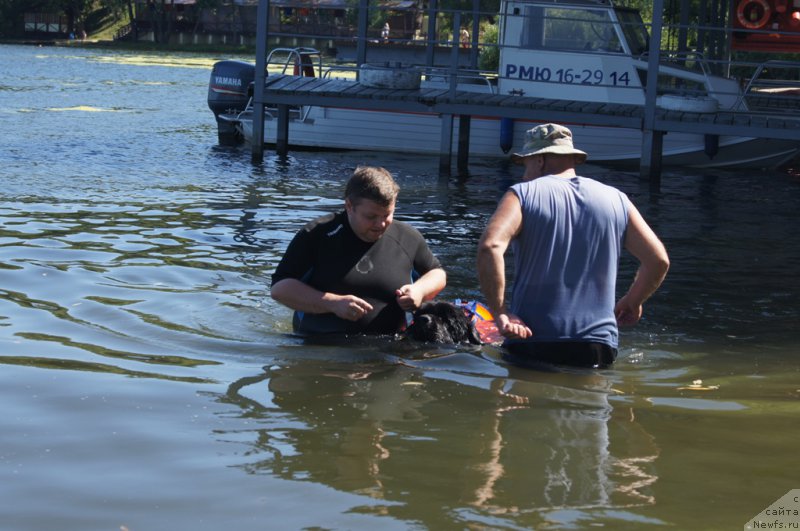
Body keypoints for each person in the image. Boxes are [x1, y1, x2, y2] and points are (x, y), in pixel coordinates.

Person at [477, 124, 669, 368]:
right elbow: (658, 260)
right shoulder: (616, 198)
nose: (524, 175)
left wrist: (501, 313)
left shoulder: (522, 194)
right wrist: (633, 302)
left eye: (525, 164)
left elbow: (490, 246)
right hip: (598, 346)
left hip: (532, 339)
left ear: (540, 160)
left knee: (525, 401)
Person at [271, 166, 446, 335]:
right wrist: (332, 303)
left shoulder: (407, 237)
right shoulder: (317, 235)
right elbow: (279, 289)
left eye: (387, 215)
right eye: (371, 217)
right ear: (349, 206)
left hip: (389, 350)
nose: (380, 224)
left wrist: (419, 290)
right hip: (322, 346)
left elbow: (437, 273)